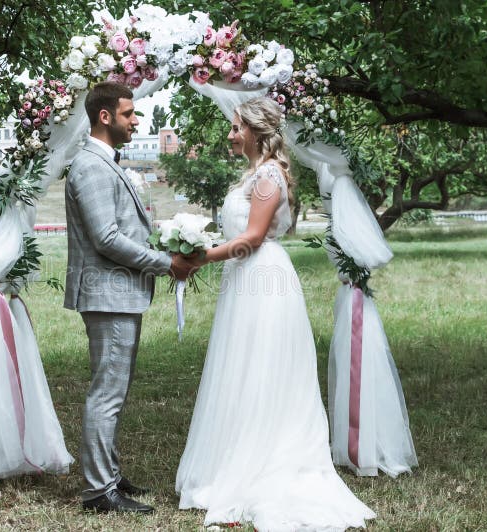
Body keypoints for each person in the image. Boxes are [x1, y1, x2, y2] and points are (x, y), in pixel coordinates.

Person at [175, 97, 377, 531]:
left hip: (261, 279)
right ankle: (236, 455)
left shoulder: (267, 176)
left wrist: (200, 257)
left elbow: (252, 237)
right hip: (243, 281)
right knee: (243, 368)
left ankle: (265, 461)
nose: (230, 135)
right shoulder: (255, 174)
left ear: (255, 130)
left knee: (263, 368)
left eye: (235, 127)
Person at [64, 82, 195, 514]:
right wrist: (164, 262)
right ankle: (100, 492)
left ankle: (110, 476)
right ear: (105, 117)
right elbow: (105, 238)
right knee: (107, 393)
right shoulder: (90, 166)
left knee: (114, 391)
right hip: (108, 295)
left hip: (118, 295)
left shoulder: (105, 163)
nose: (136, 120)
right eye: (129, 113)